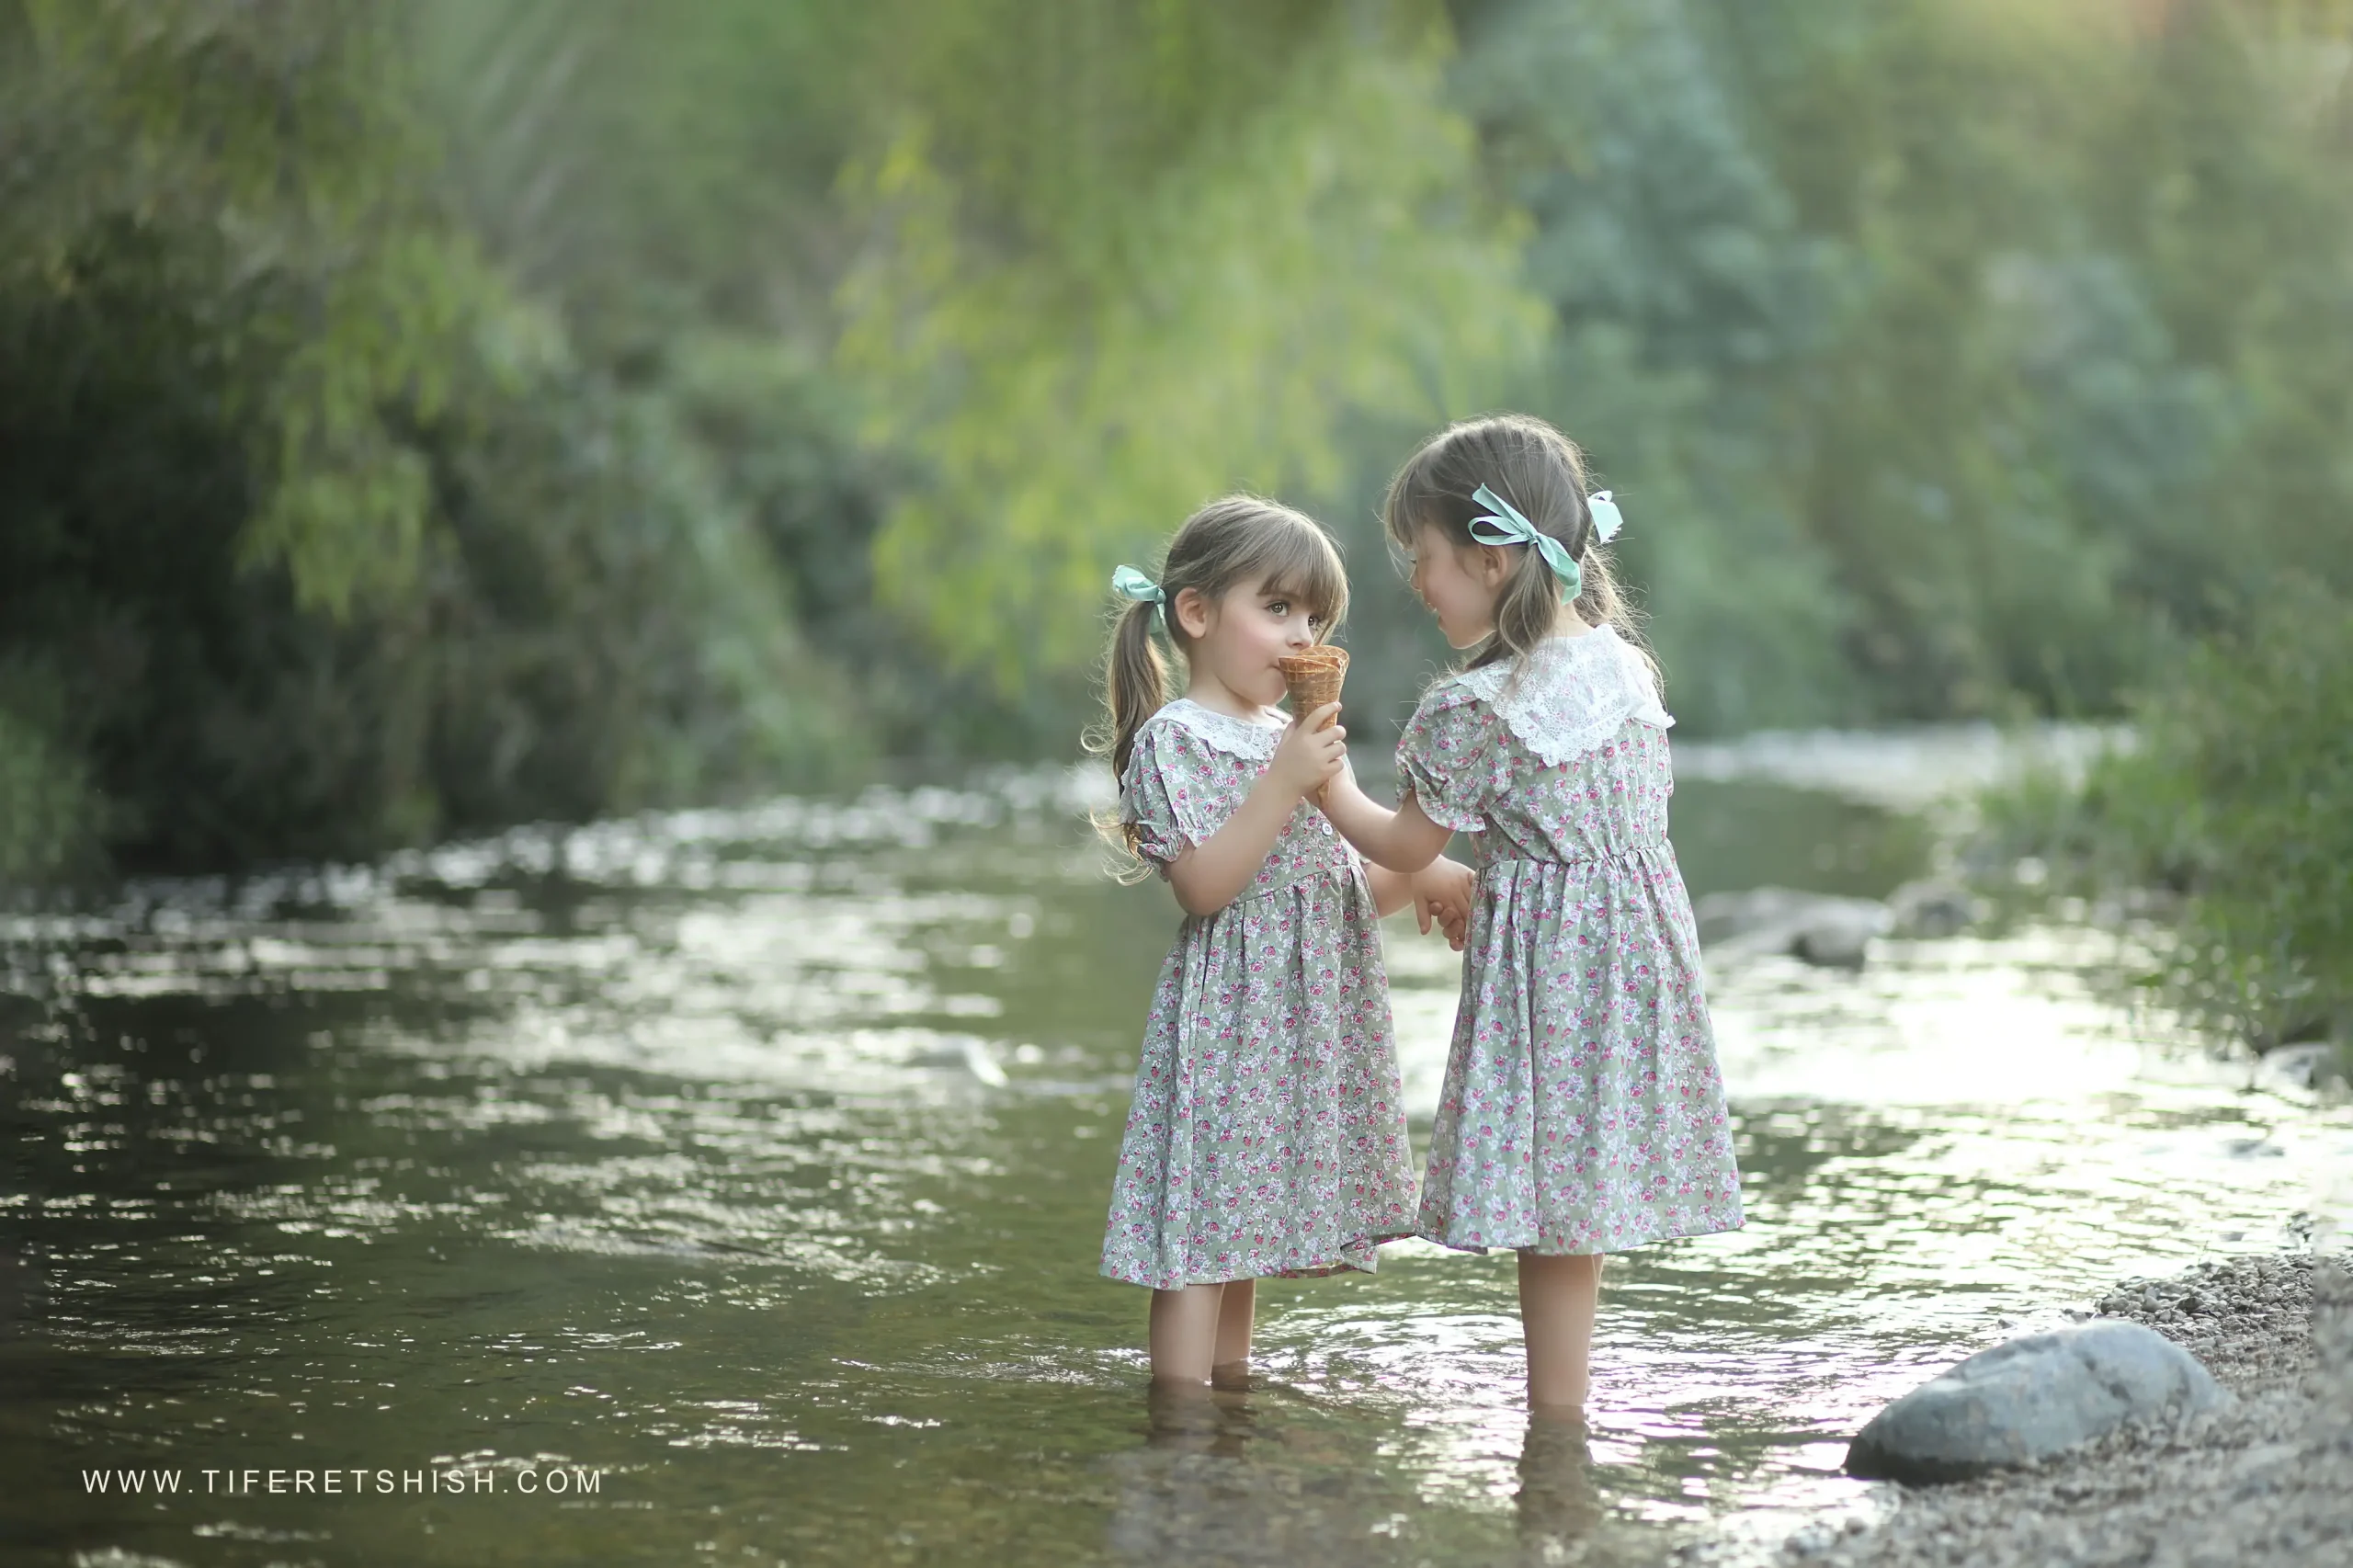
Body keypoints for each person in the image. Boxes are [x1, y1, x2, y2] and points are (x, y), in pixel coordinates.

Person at [1318, 415, 1744, 1412]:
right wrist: (1495, 874)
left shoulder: (1479, 709)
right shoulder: (1624, 670)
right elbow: (1566, 830)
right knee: (1575, 1205)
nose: (1417, 583)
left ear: (1494, 556)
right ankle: (1563, 1421)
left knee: (1553, 1203)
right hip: (1635, 962)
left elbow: (1403, 844)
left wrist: (1323, 779)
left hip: (1552, 973)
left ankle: (1555, 1425)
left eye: (1424, 558)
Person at [1092, 494, 1474, 1390]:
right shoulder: (1173, 740)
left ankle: (1231, 1397)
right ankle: (1180, 1422)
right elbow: (1205, 885)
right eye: (1277, 609)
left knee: (1246, 1226)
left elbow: (1331, 892)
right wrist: (1284, 780)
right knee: (1198, 1231)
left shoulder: (1290, 739)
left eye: (1315, 617)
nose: (1302, 636)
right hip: (1230, 1019)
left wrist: (1422, 872)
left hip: (1301, 1021)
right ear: (1195, 612)